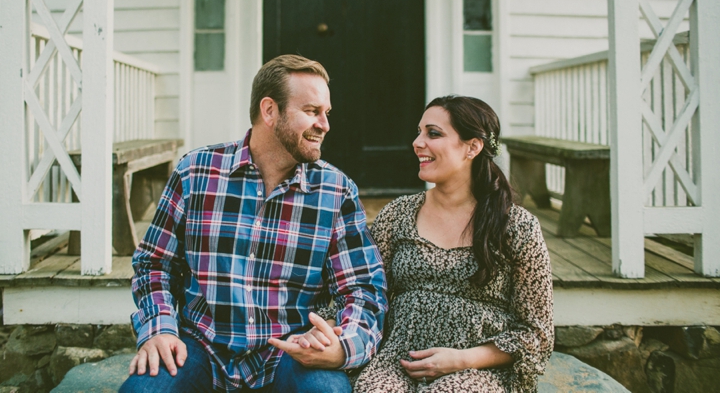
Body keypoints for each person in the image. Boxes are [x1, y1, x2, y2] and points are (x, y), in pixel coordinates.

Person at [120, 55, 388, 393]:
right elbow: (153, 264)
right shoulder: (196, 172)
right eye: (311, 111)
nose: (325, 124)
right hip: (199, 347)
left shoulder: (336, 191)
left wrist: (343, 347)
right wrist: (159, 328)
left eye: (326, 113)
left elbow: (362, 288)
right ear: (269, 111)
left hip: (291, 352)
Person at [352, 96, 554, 392]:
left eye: (433, 133)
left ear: (472, 147)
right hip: (397, 360)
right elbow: (367, 291)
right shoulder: (397, 215)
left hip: (477, 370)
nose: (417, 142)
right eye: (419, 132)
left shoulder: (517, 226)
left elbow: (537, 333)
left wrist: (462, 359)